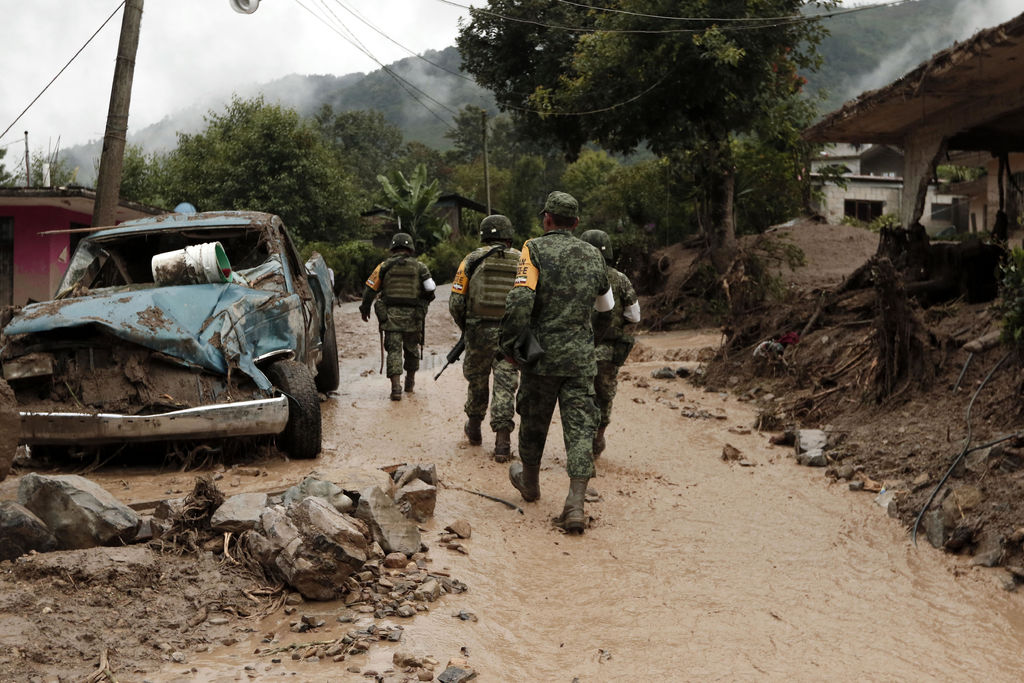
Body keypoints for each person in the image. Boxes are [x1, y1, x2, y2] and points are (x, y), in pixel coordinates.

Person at [499, 191, 612, 534]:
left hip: (541, 359)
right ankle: (575, 504)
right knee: (580, 428)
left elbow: (520, 299)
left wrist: (508, 344)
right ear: (576, 223)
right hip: (580, 359)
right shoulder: (594, 255)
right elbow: (606, 309)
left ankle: (530, 485)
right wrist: (589, 339)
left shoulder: (531, 249)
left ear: (546, 218)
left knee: (534, 419)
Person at [449, 215, 521, 461]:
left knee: (477, 381)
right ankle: (502, 442)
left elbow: (456, 301)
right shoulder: (524, 260)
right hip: (510, 334)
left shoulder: (471, 259)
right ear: (508, 237)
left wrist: (467, 328)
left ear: (483, 236)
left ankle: (475, 430)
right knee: (505, 383)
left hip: (478, 331)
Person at [579, 229, 640, 457]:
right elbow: (634, 316)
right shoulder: (620, 279)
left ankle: (580, 441)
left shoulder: (574, 275)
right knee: (604, 395)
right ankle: (598, 438)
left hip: (576, 348)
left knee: (579, 395)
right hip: (608, 351)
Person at [359, 232, 436, 400]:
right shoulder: (420, 267)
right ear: (411, 249)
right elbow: (430, 289)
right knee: (412, 349)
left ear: (393, 248)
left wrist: (364, 309)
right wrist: (423, 304)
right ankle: (410, 384)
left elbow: (369, 290)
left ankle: (395, 388)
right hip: (414, 317)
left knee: (394, 351)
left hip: (391, 317)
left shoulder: (383, 266)